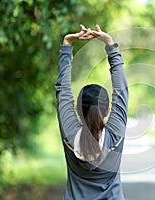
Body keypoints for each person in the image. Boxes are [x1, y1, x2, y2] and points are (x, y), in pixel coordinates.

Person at [55, 24, 128, 200]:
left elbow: (62, 90)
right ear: (108, 110)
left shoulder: (70, 135)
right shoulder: (114, 136)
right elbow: (121, 90)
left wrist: (67, 44)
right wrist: (110, 44)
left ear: (77, 109)